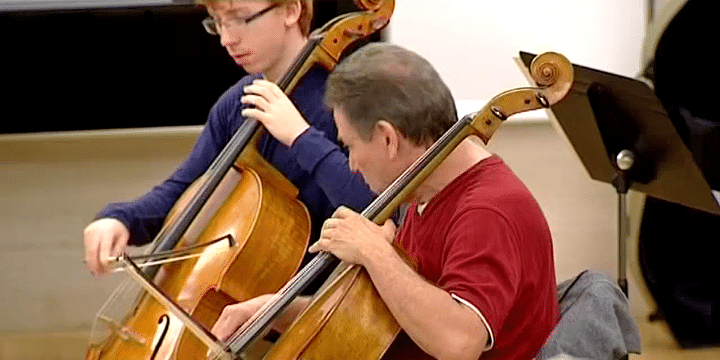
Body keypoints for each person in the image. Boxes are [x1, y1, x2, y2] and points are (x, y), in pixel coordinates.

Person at [210, 43, 560, 359]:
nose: (351, 163)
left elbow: (460, 342)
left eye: (349, 146)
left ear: (388, 139)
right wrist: (276, 311)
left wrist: (375, 253)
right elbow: (382, 317)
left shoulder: (487, 210)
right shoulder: (424, 192)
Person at [83, 0, 374, 277]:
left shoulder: (344, 106)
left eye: (240, 19)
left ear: (291, 10)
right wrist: (120, 218)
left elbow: (372, 208)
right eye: (219, 23)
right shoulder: (236, 104)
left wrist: (300, 136)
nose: (227, 39)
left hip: (316, 309)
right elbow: (183, 191)